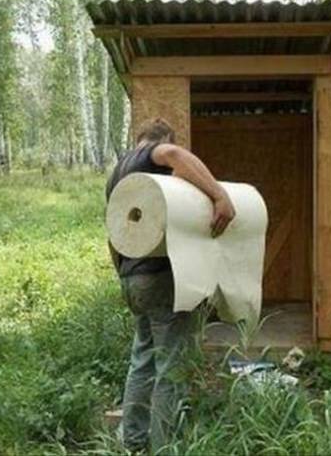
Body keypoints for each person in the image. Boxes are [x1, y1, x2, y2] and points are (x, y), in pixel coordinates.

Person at [105, 118, 236, 453]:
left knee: (142, 361)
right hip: (160, 278)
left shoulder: (117, 175)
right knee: (170, 366)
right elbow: (174, 155)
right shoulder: (151, 154)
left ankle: (133, 441)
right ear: (160, 139)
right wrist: (220, 196)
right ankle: (165, 446)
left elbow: (113, 234)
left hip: (132, 278)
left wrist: (127, 278)